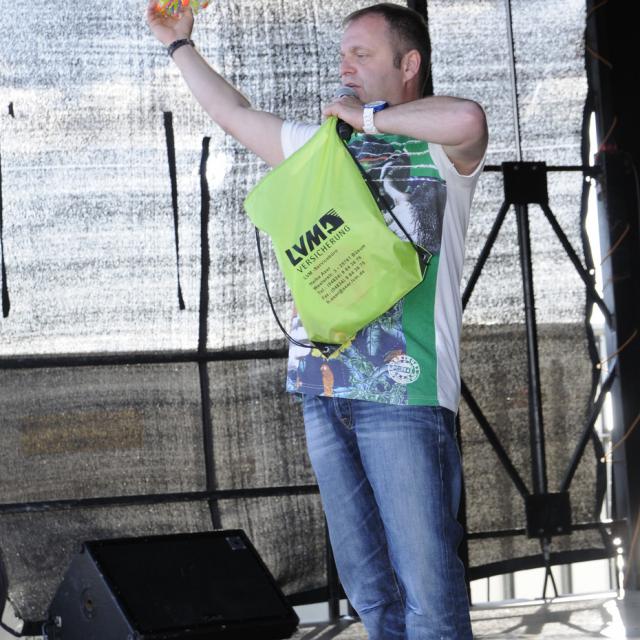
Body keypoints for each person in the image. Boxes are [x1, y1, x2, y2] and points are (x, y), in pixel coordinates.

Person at [147, 2, 487, 638]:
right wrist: (179, 45)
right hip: (324, 389)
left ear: (409, 64)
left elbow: (469, 118)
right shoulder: (324, 147)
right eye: (343, 55)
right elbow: (234, 113)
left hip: (405, 393)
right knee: (370, 589)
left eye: (362, 53)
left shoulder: (440, 151)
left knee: (428, 591)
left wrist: (368, 118)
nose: (345, 66)